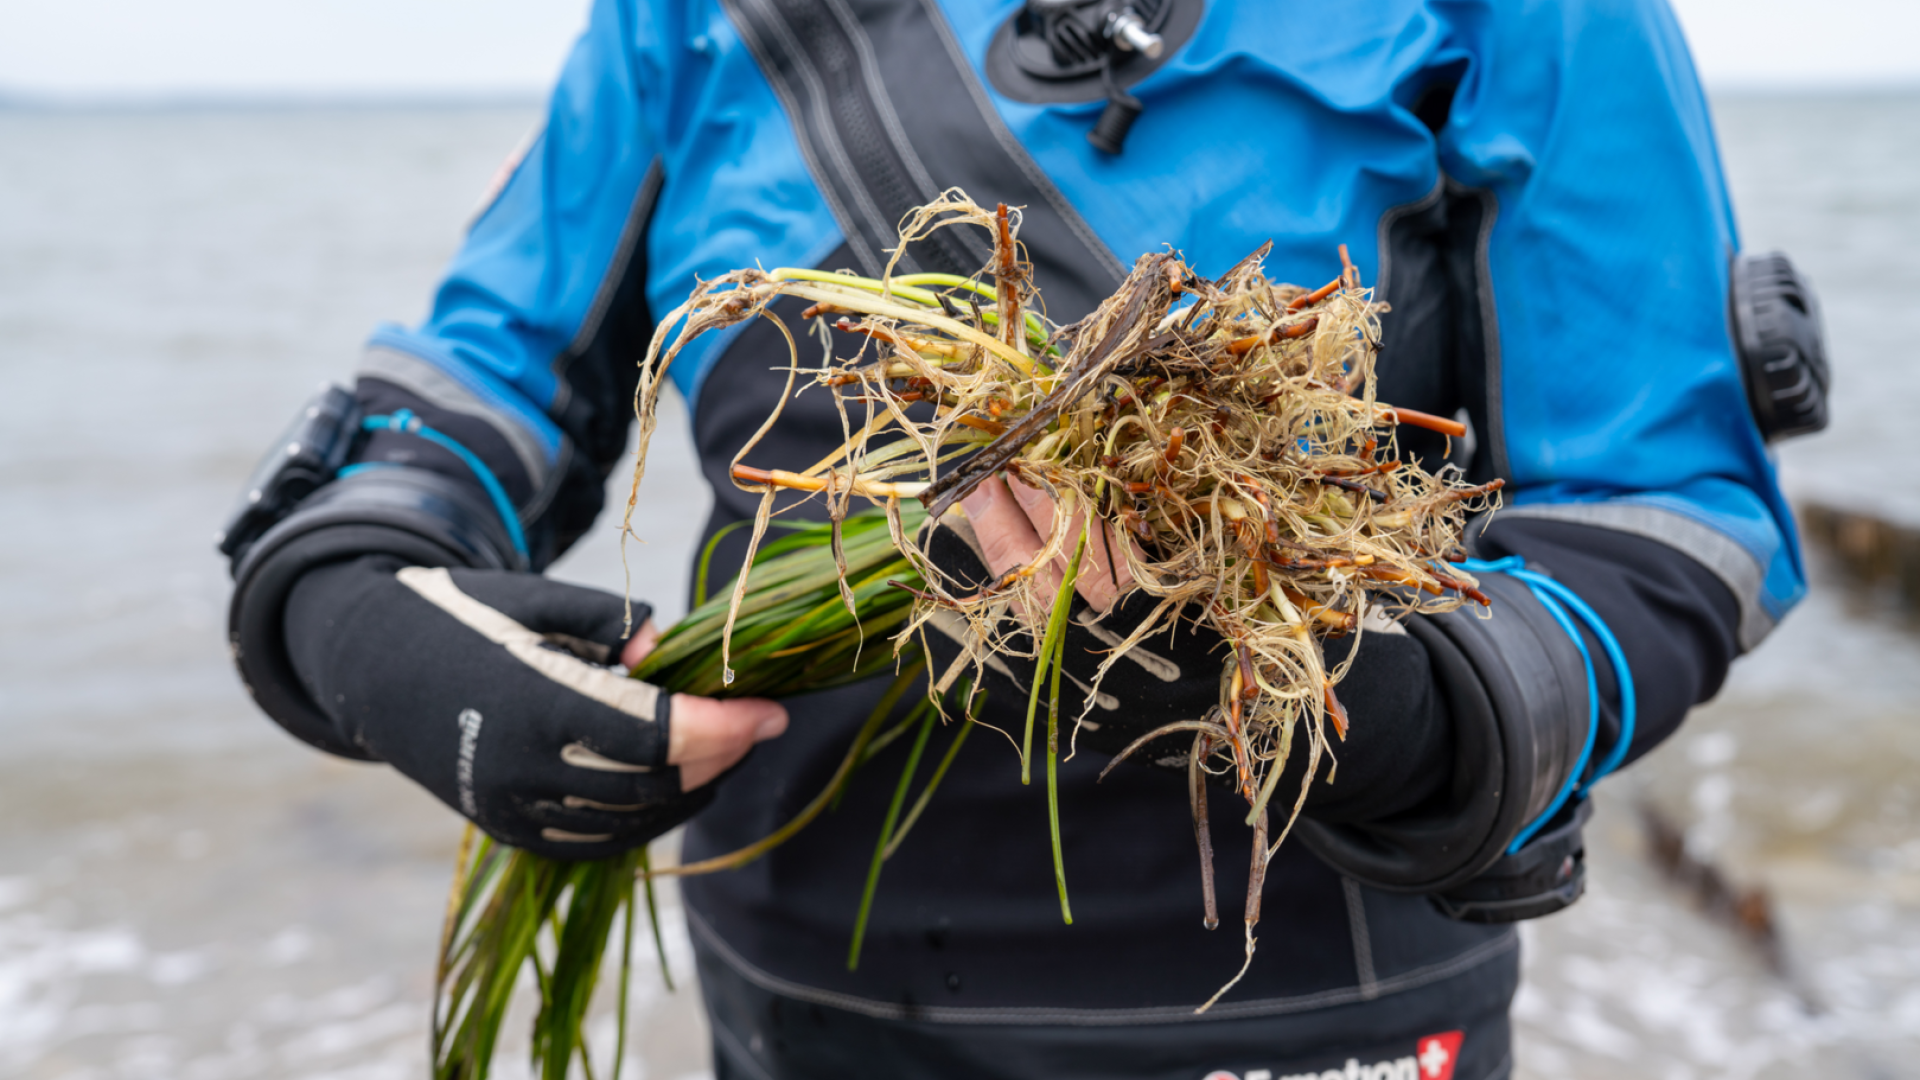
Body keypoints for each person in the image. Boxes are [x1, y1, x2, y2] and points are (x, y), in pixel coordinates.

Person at [222, 1, 1816, 1077]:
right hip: (805, 989)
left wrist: (1400, 704)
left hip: (1311, 1001)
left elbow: (1664, 513)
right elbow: (486, 377)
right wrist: (351, 601)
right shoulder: (689, 18)